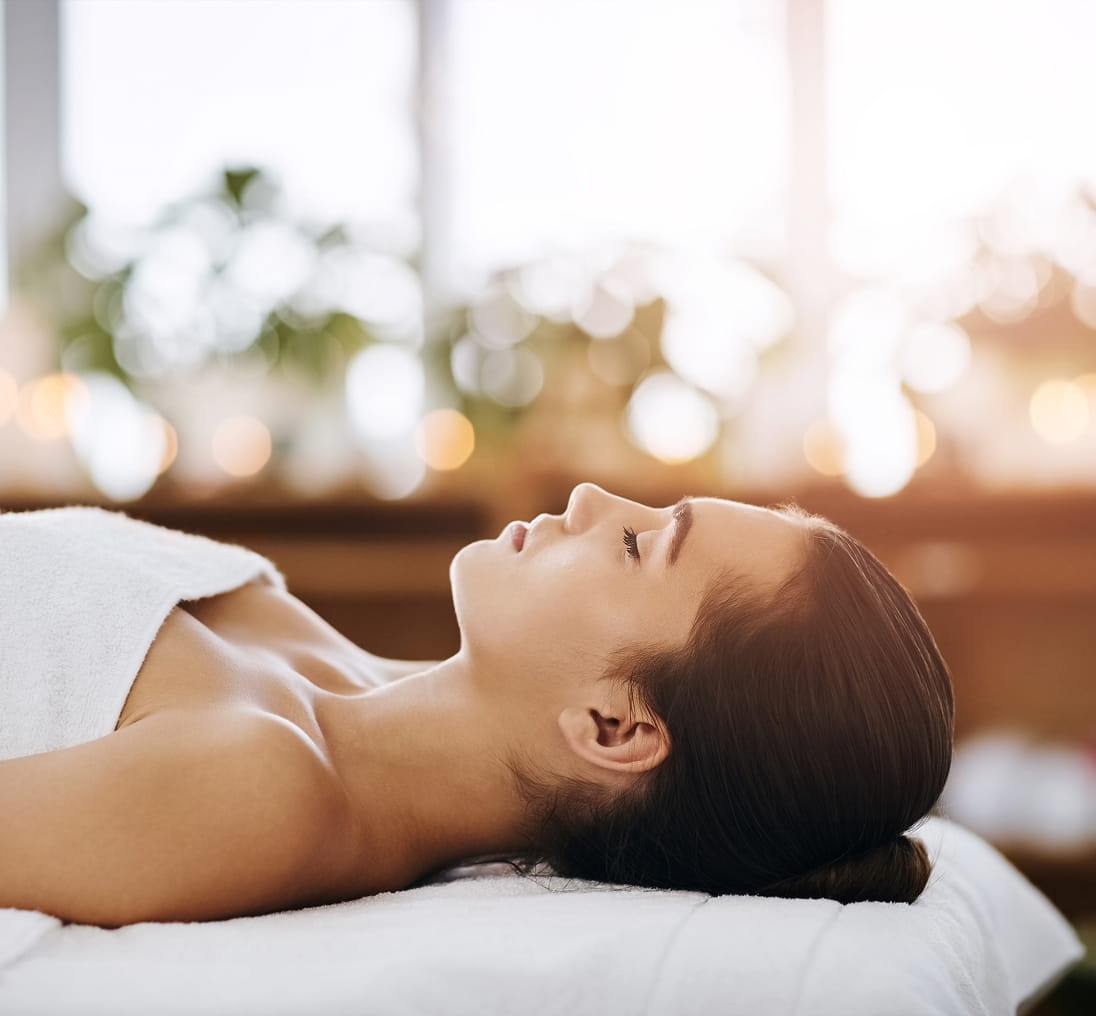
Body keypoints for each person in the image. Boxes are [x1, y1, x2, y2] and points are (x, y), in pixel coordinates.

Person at [0, 482, 952, 927]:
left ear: (614, 726)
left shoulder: (263, 791)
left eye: (635, 544)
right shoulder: (331, 663)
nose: (589, 496)